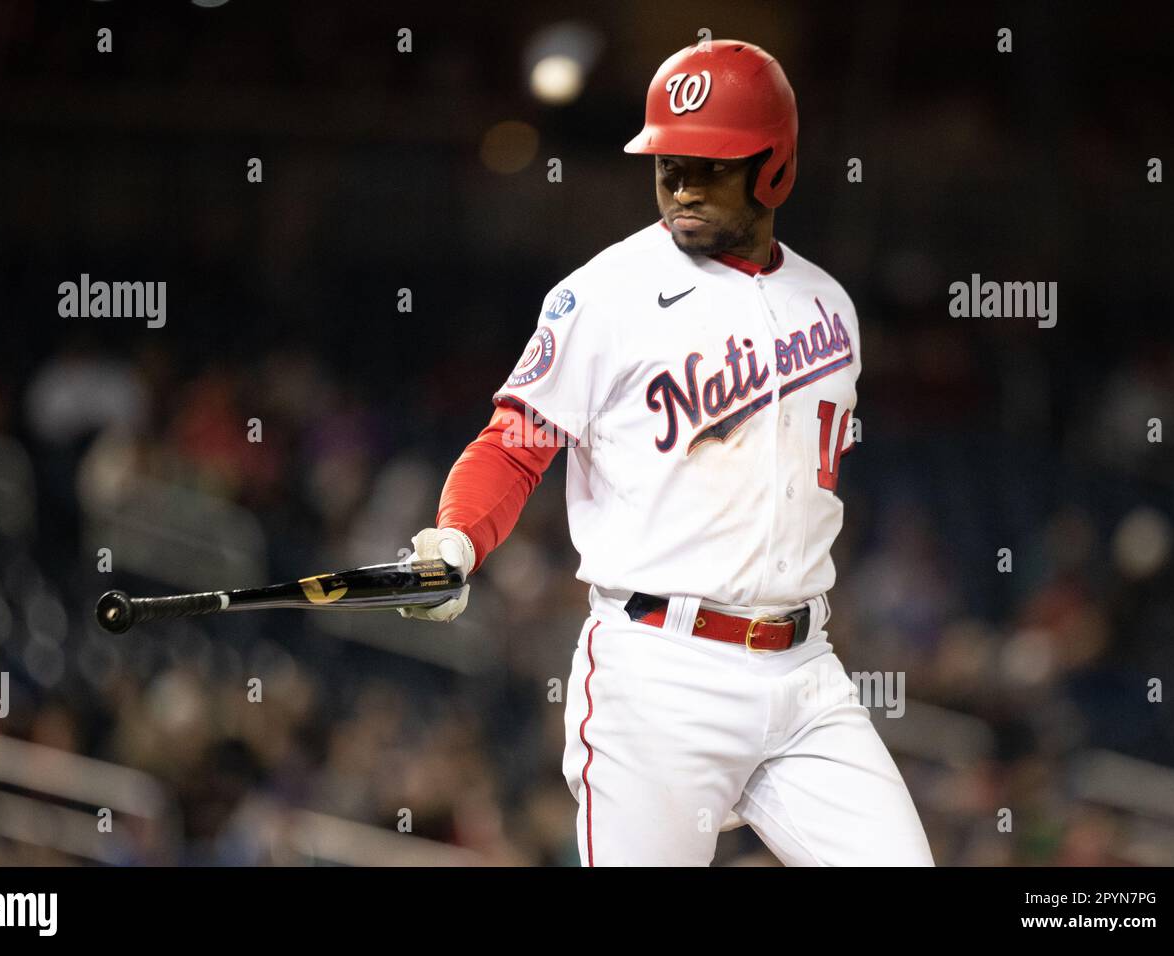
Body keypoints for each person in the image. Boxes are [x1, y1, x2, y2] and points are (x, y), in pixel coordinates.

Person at [397, 40, 933, 867]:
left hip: (805, 673)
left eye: (709, 166)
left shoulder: (830, 304)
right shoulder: (604, 293)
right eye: (668, 164)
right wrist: (456, 538)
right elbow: (514, 443)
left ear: (774, 167)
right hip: (659, 672)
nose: (682, 184)